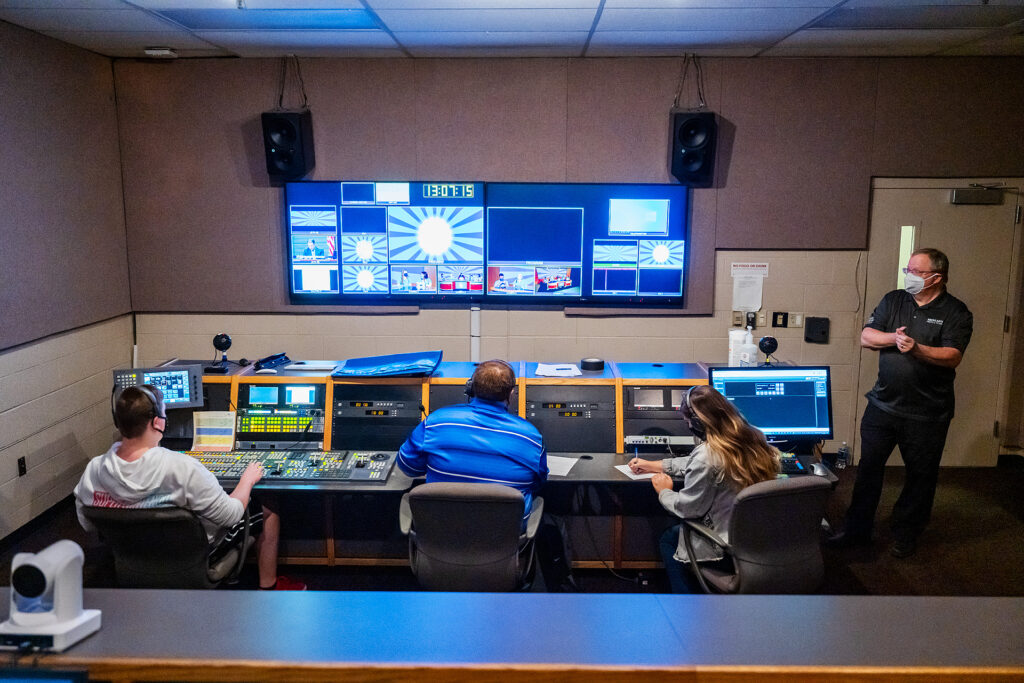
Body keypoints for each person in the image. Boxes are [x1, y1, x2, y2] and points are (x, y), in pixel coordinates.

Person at [74, 385, 305, 590]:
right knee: (266, 507)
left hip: (130, 563)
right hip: (193, 558)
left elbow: (88, 523)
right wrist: (247, 480)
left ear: (119, 422)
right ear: (158, 422)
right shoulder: (182, 468)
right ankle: (269, 586)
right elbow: (231, 515)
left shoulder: (94, 470)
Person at [829, 247, 973, 558]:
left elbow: (953, 356)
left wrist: (918, 349)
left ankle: (906, 532)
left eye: (915, 272)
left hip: (927, 413)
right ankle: (856, 530)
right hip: (882, 406)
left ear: (936, 277)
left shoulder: (956, 312)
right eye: (907, 270)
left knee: (920, 477)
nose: (908, 276)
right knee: (868, 469)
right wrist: (895, 339)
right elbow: (868, 337)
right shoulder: (894, 300)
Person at [628, 385, 780, 593]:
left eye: (689, 421)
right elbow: (701, 463)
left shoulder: (707, 455)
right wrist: (657, 465)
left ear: (700, 422)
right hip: (756, 541)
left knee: (669, 539)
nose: (688, 425)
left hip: (723, 548)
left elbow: (689, 509)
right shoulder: (753, 439)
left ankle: (687, 605)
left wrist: (664, 492)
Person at [396, 360, 547, 530]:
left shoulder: (436, 422)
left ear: (471, 388)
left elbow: (407, 467)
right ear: (511, 394)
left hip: (439, 531)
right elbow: (537, 483)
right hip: (504, 534)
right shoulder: (531, 437)